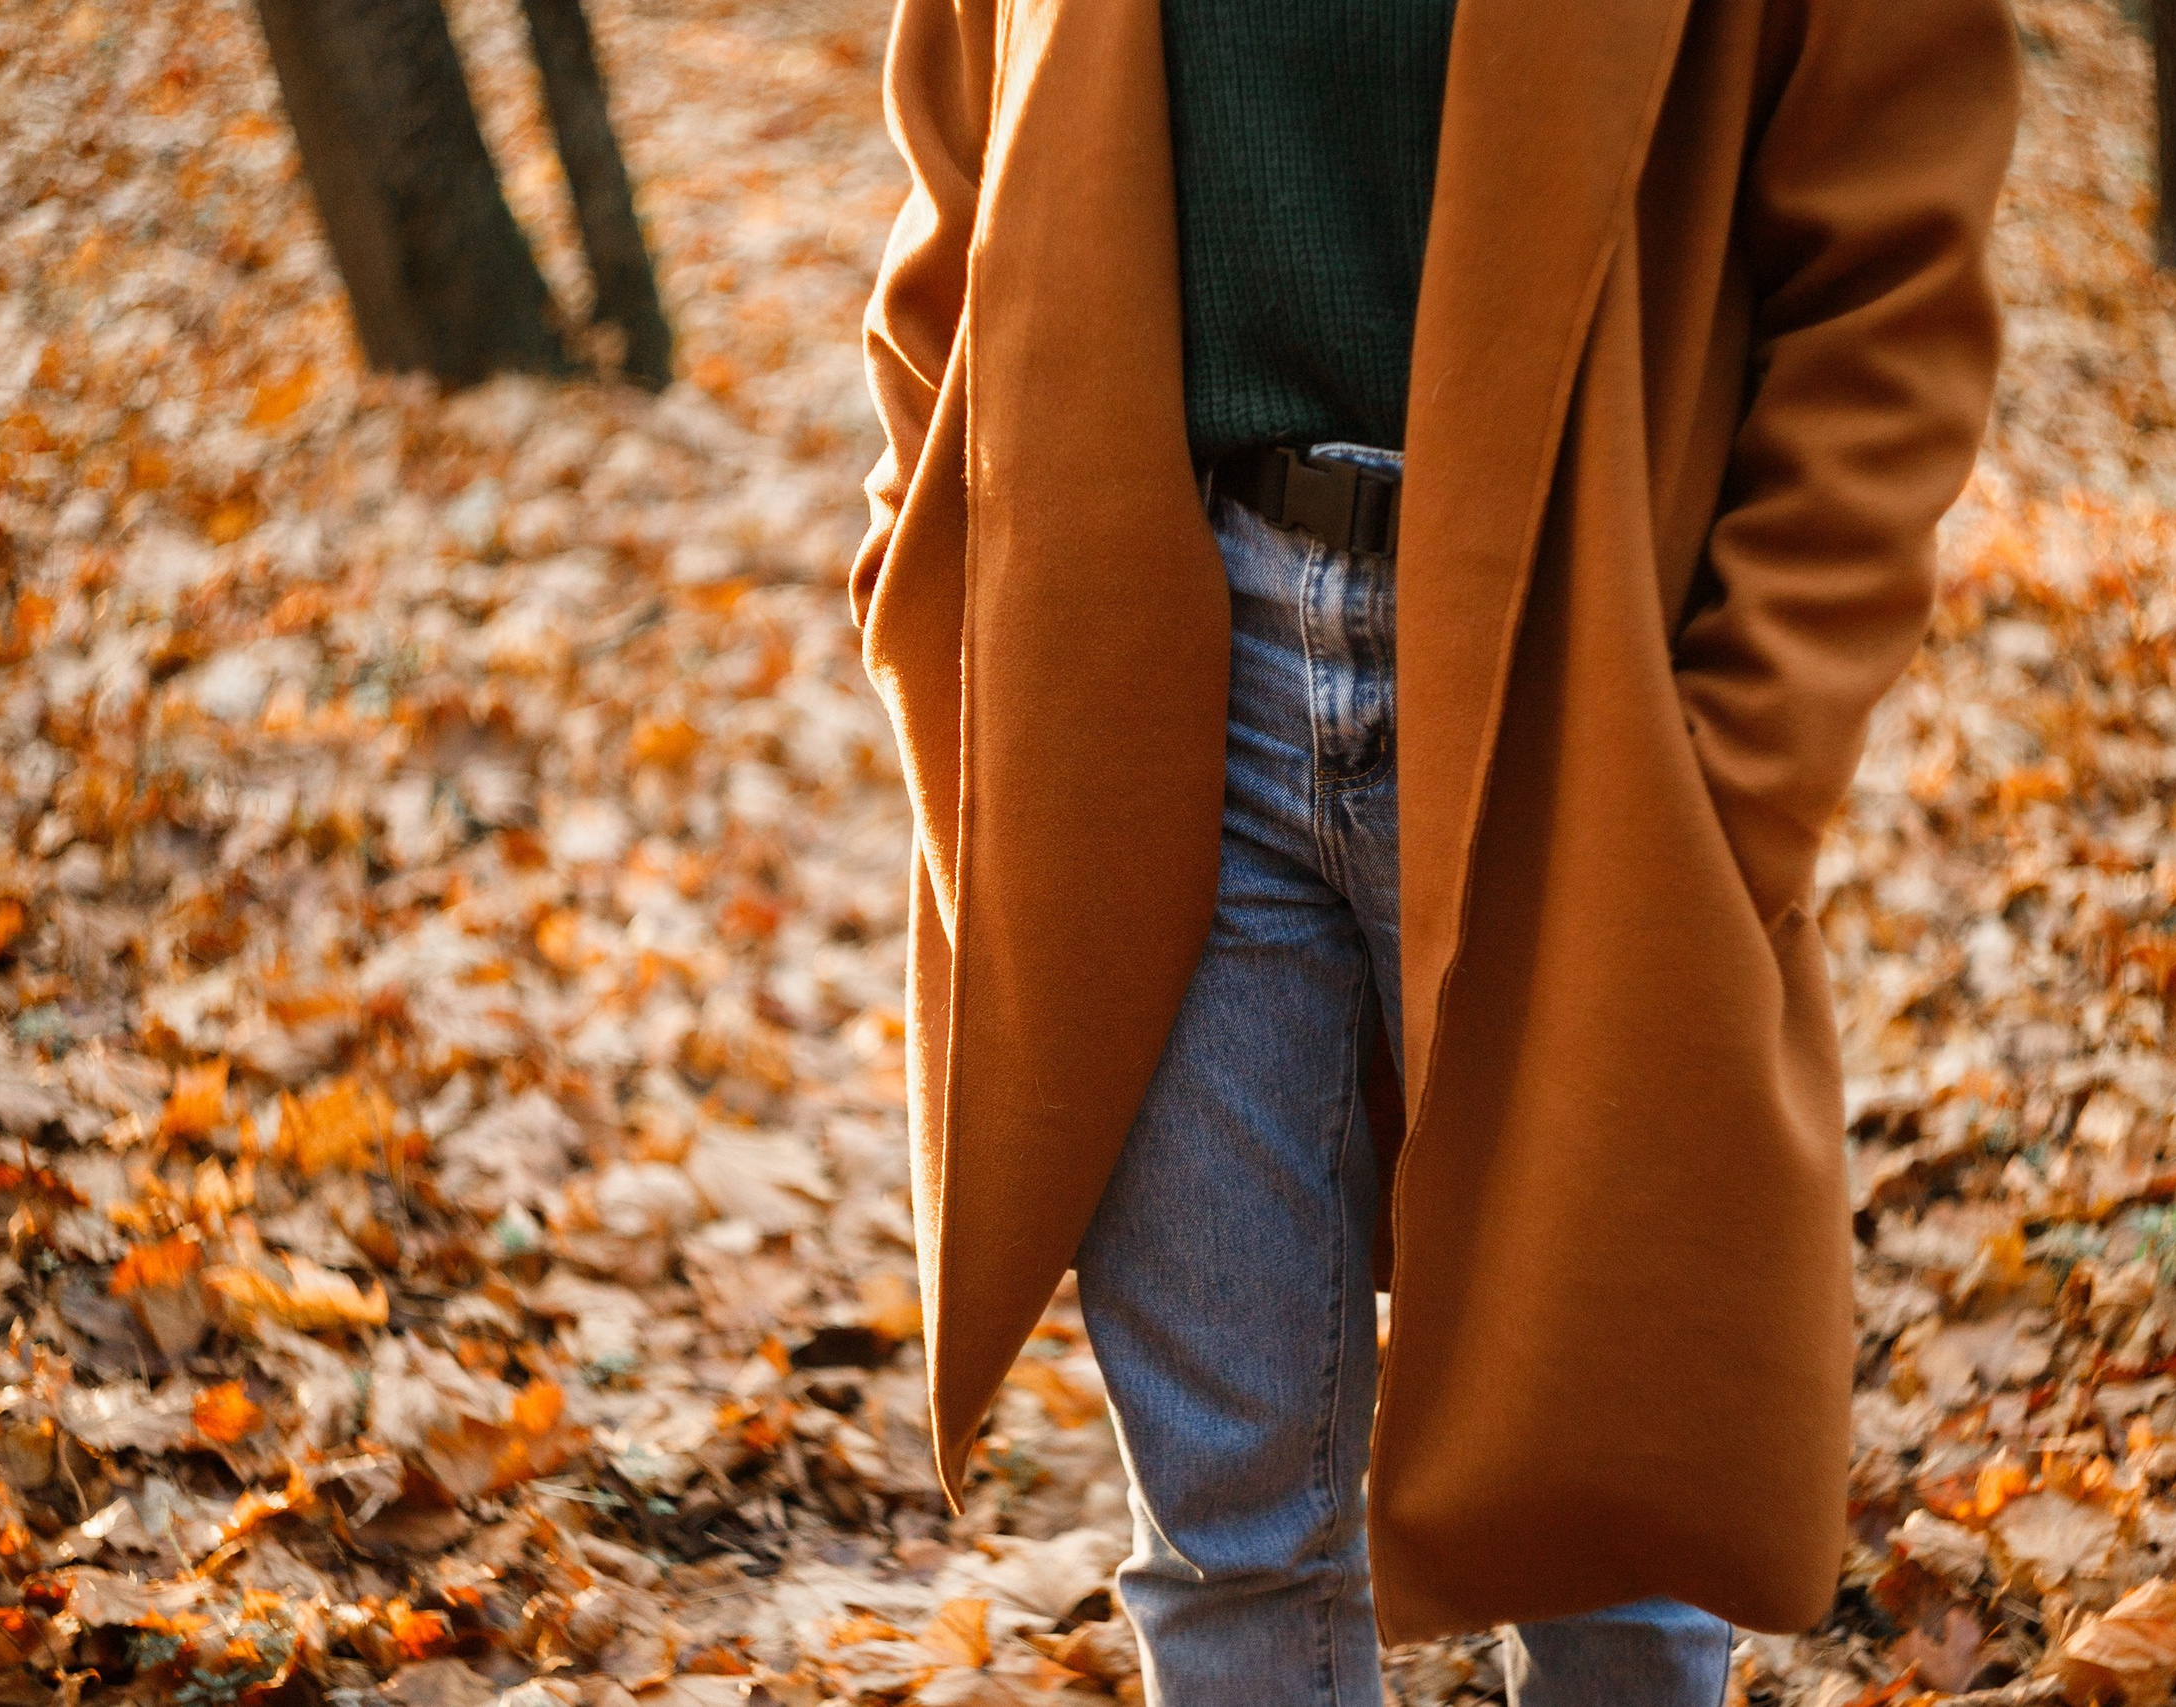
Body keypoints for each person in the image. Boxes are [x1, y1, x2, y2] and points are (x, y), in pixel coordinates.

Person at [849, 0, 2018, 1698]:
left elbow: (1892, 282)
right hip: (1153, 661)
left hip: (1576, 687)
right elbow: (961, 160)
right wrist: (923, 549)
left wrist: (1731, 776)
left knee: (1613, 1523)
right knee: (1225, 1526)